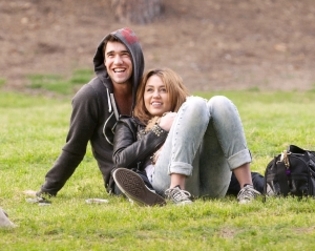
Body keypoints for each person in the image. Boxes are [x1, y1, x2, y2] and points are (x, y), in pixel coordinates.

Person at [111, 68, 261, 205]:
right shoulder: (130, 124)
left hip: (211, 184)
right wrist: (160, 130)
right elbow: (120, 160)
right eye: (150, 90)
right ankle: (176, 188)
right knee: (196, 103)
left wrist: (268, 183)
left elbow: (218, 157)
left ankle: (247, 188)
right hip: (163, 182)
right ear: (143, 95)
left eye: (163, 90)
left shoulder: (193, 117)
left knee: (220, 102)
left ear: (175, 93)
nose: (155, 95)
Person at [35, 27, 146, 200]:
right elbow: (74, 148)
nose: (117, 61)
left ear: (136, 57)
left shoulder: (151, 89)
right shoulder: (90, 96)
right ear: (104, 60)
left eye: (125, 54)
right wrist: (47, 190)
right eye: (111, 55)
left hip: (157, 166)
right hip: (121, 179)